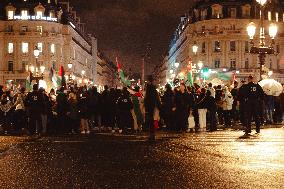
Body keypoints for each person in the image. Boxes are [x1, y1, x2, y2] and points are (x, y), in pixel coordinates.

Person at [144, 75, 161, 141]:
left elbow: (147, 98)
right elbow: (156, 98)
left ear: (149, 81)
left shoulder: (149, 89)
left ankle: (151, 135)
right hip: (153, 106)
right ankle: (152, 134)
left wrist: (146, 105)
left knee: (150, 121)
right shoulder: (153, 89)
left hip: (150, 107)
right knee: (153, 120)